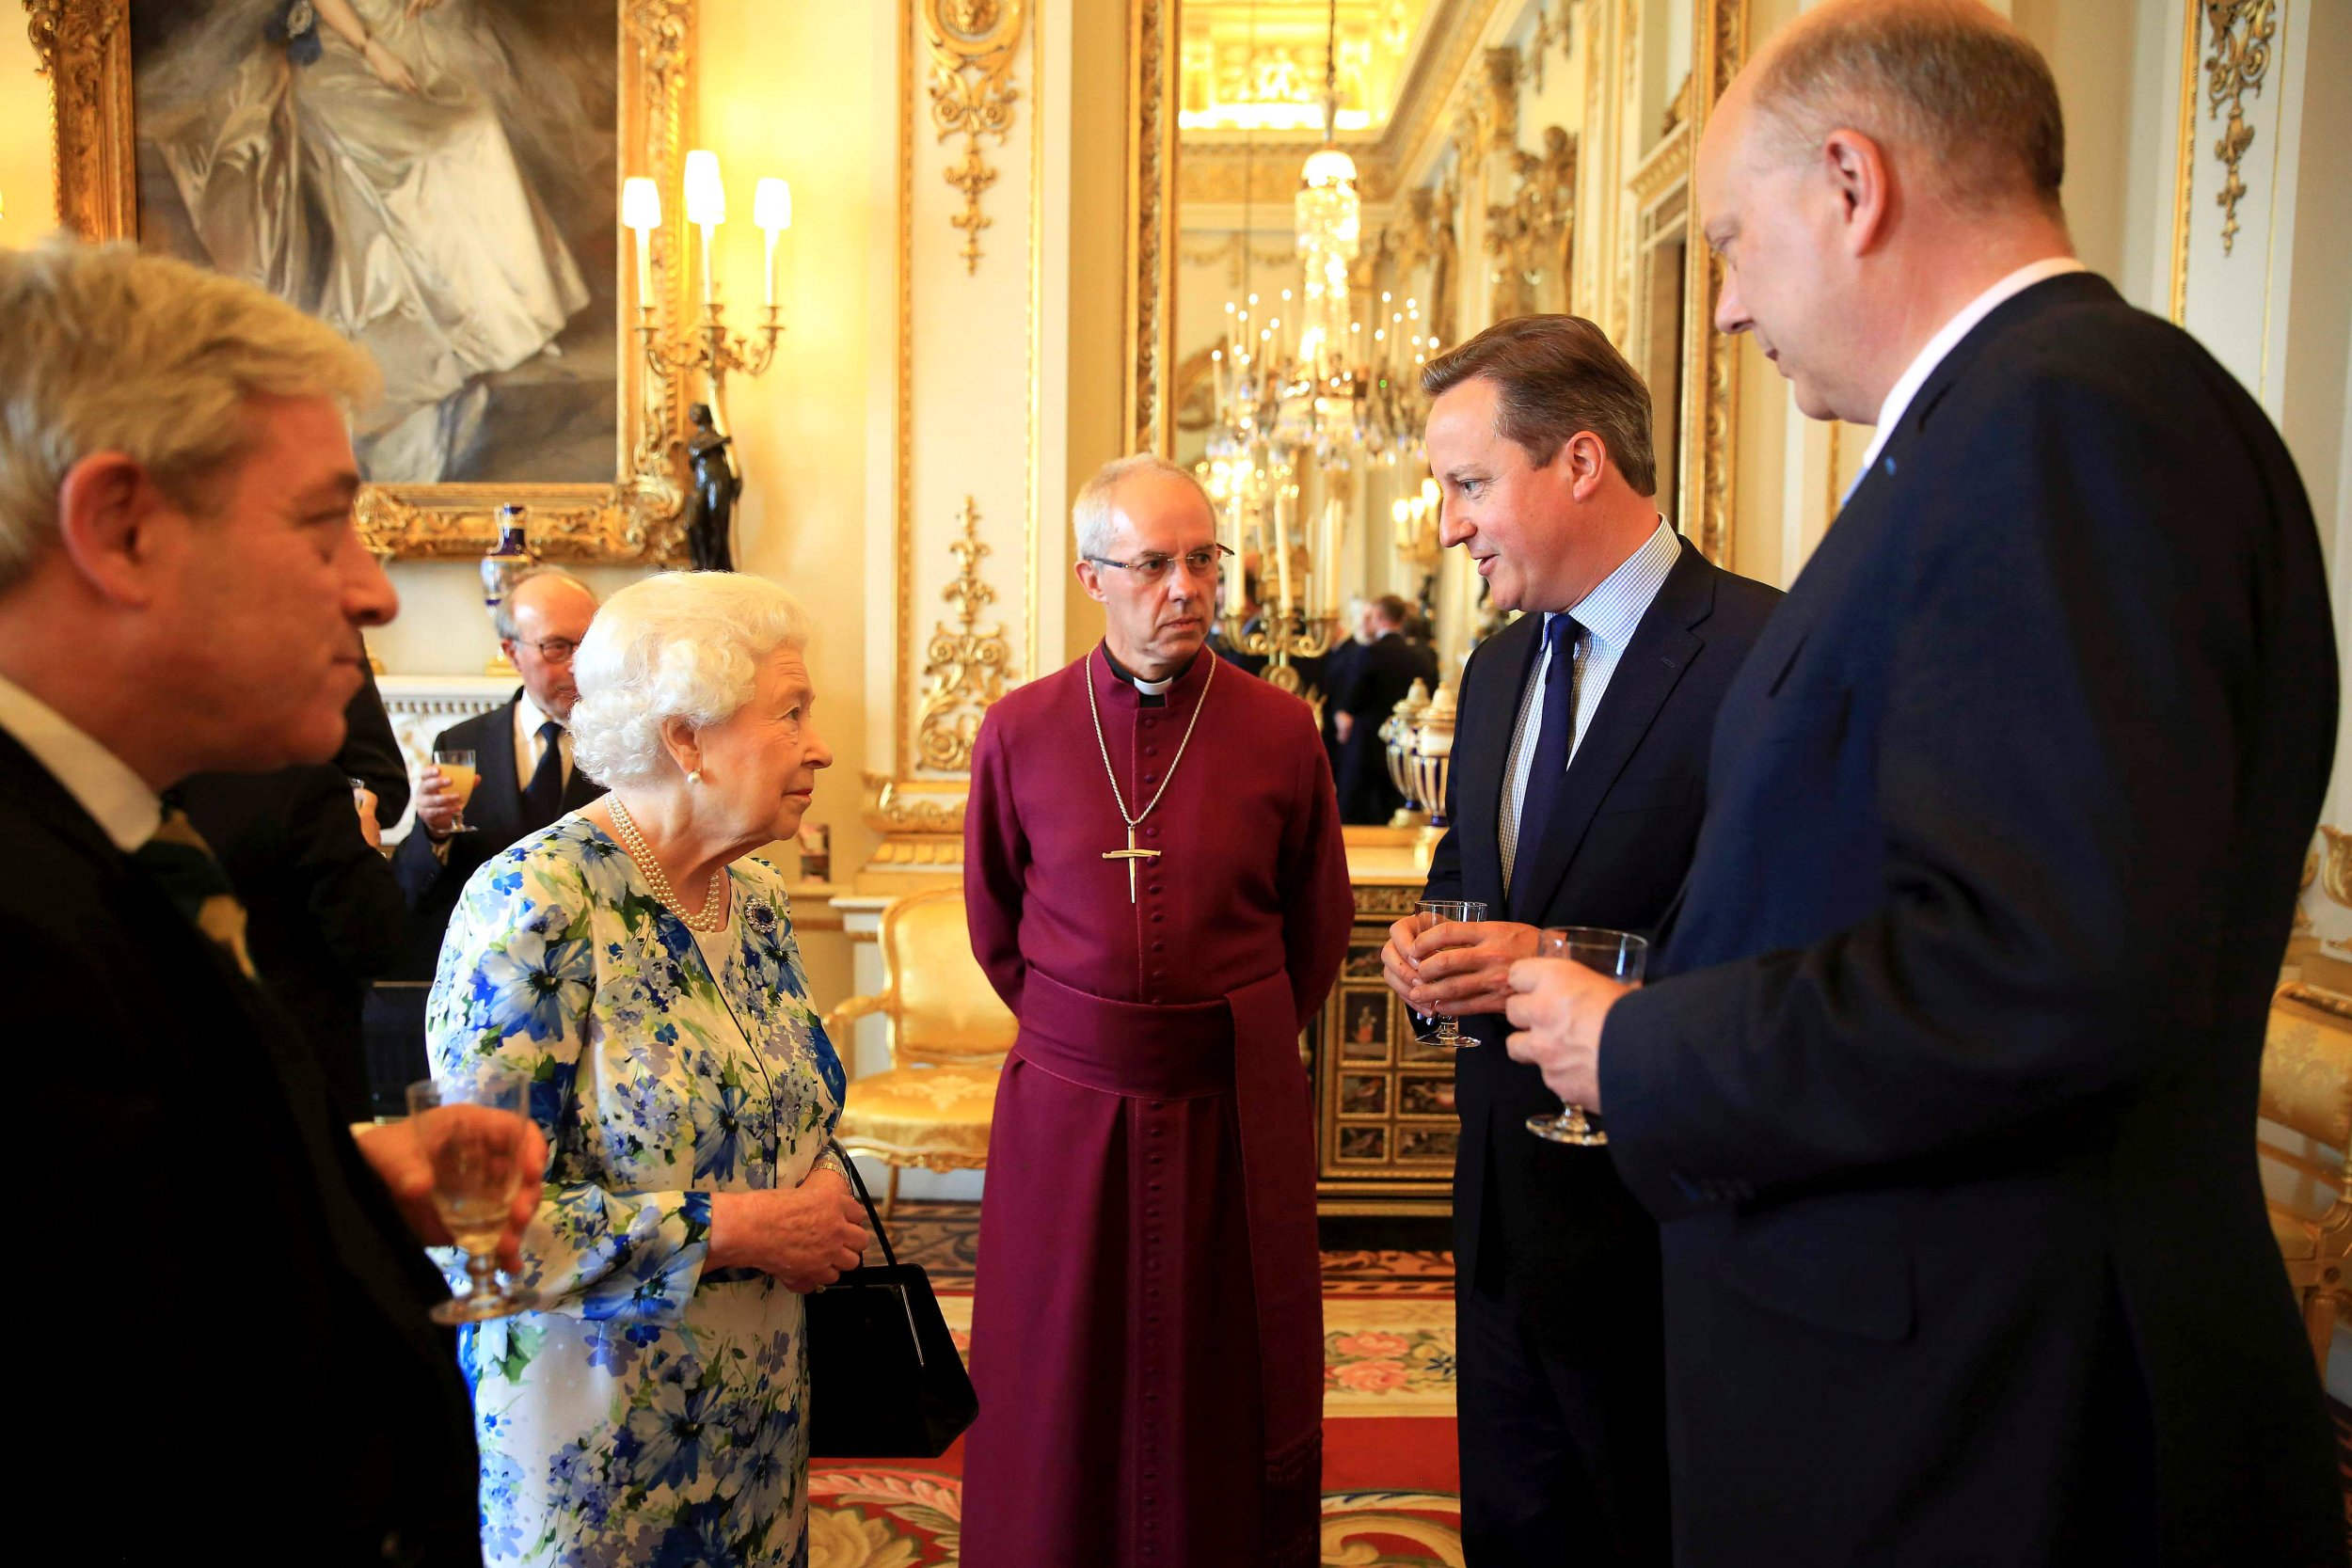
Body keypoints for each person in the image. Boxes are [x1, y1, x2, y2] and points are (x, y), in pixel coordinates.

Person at [1499, 4, 2343, 1561]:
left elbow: (2044, 962)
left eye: (1739, 244)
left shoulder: (2063, 424)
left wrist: (1649, 1040)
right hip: (1948, 1374)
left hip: (2004, 1421)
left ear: (1852, 181)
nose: (1732, 307)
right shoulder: (2018, 424)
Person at [0, 236, 543, 1560]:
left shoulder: (112, 837)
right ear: (122, 527)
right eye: (324, 523)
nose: (371, 586)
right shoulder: (19, 941)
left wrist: (328, 1180)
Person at [1381, 316, 1781, 1566]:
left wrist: (1561, 954)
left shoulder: (1765, 656)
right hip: (1503, 1215)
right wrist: (1429, 961)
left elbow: (1787, 948)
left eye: (1467, 482)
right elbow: (1466, 882)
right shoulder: (1494, 673)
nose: (1448, 524)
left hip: (1666, 1227)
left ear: (1581, 463)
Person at [426, 570, 868, 1567]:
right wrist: (744, 1225)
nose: (820, 744)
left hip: (754, 1423)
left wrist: (819, 1183)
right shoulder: (532, 903)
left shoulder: (750, 894)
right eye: (790, 712)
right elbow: (478, 1231)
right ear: (686, 738)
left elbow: (781, 1101)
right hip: (597, 1451)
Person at [961, 453, 1354, 1568]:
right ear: (1092, 575)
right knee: (1062, 1371)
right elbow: (996, 923)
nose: (1184, 587)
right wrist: (1093, 1037)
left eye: (1201, 560)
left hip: (1229, 1107)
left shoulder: (1281, 731)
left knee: (1220, 1372)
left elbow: (1313, 926)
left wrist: (1216, 1034)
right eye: (1152, 565)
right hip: (1070, 1110)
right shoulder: (1020, 728)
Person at [379, 567, 606, 1092]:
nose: (575, 664)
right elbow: (415, 891)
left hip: (598, 994)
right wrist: (433, 831)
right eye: (555, 647)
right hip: (489, 997)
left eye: (587, 645)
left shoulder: (626, 748)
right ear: (511, 652)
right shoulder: (462, 742)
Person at [1333, 593, 1438, 824]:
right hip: (1406, 743)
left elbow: (1351, 700)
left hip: (1366, 742)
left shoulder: (1369, 653)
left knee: (1357, 812)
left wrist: (1343, 724)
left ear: (1379, 616)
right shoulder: (1419, 657)